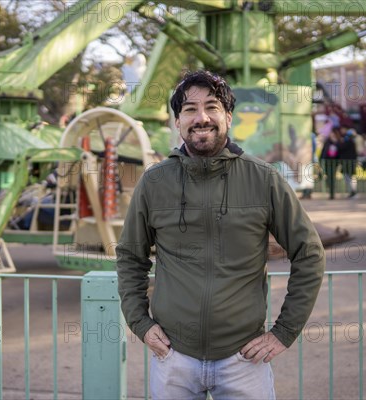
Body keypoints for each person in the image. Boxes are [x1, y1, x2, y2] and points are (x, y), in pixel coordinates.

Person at [116, 70, 326, 399]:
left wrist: (283, 333)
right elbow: (130, 256)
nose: (202, 118)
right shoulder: (154, 183)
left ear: (228, 116)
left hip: (244, 360)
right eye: (189, 109)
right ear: (177, 121)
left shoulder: (263, 180)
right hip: (173, 357)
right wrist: (140, 323)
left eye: (212, 107)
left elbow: (310, 254)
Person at [319, 128, 340, 199]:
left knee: (332, 178)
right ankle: (331, 190)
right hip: (327, 162)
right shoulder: (327, 142)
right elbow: (323, 151)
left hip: (334, 163)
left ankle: (332, 193)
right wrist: (321, 159)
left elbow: (339, 152)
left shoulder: (337, 142)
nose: (332, 135)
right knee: (328, 178)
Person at [339, 128, 358, 199]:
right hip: (348, 163)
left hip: (349, 163)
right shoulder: (351, 142)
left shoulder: (348, 142)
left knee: (350, 177)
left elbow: (341, 147)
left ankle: (353, 191)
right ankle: (352, 191)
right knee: (349, 177)